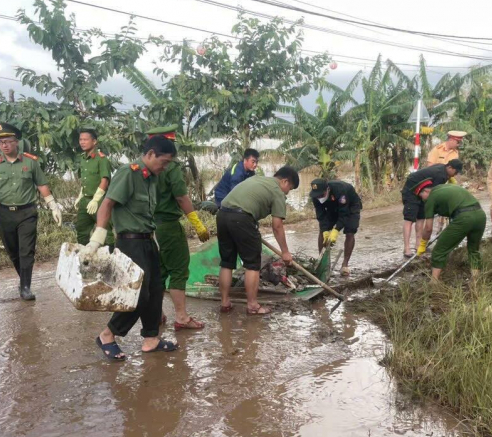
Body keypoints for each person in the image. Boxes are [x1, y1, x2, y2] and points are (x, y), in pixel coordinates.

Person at [83, 134, 177, 360]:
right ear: (151, 154)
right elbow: (107, 204)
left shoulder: (151, 178)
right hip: (130, 242)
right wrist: (97, 238)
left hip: (147, 239)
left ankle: (151, 339)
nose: (164, 167)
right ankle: (107, 335)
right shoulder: (129, 173)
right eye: (163, 162)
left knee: (155, 289)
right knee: (138, 294)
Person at [0, 123, 62, 301]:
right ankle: (23, 280)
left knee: (26, 251)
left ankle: (26, 287)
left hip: (26, 212)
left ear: (16, 143)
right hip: (4, 213)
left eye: (7, 141)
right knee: (13, 252)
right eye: (0, 143)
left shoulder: (30, 162)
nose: (4, 145)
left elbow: (41, 185)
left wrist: (53, 205)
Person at [217, 166, 299, 316]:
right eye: (290, 188)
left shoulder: (257, 179)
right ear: (285, 181)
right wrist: (285, 252)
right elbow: (277, 226)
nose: (287, 192)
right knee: (252, 265)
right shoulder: (277, 192)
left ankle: (224, 302)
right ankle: (253, 306)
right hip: (242, 218)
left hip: (222, 214)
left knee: (226, 262)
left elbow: (250, 201)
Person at [153, 129, 210, 331]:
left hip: (150, 226)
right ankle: (182, 317)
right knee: (178, 269)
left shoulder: (142, 167)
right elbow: (181, 196)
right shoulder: (171, 167)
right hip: (168, 225)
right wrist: (197, 222)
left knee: (158, 271)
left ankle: (156, 315)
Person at [414, 180, 486, 283]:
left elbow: (428, 228)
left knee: (439, 250)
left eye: (421, 197)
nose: (422, 200)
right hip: (480, 215)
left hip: (464, 218)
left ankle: (434, 282)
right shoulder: (445, 188)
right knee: (473, 250)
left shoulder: (431, 198)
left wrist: (423, 243)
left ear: (425, 191)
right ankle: (476, 281)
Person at [401, 159, 463, 257]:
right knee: (409, 219)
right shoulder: (441, 175)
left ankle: (418, 245)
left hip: (422, 191)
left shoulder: (443, 169)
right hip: (411, 191)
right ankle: (406, 249)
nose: (455, 175)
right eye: (456, 172)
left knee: (421, 218)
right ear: (450, 167)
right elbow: (432, 193)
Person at [309, 178, 363, 276]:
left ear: (327, 189)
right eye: (317, 196)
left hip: (350, 206)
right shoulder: (315, 195)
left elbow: (344, 214)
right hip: (332, 207)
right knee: (322, 231)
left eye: (322, 195)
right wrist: (325, 230)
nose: (319, 197)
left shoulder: (340, 190)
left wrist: (336, 230)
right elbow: (320, 214)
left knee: (350, 231)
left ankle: (345, 265)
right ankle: (323, 263)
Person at [73, 128, 114, 249]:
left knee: (105, 232)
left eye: (86, 139)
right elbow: (85, 181)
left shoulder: (101, 159)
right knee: (81, 231)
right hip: (85, 200)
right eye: (81, 139)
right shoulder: (83, 158)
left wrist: (96, 199)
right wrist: (80, 196)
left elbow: (104, 180)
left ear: (94, 141)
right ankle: (86, 259)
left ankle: (110, 257)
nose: (82, 142)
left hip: (100, 200)